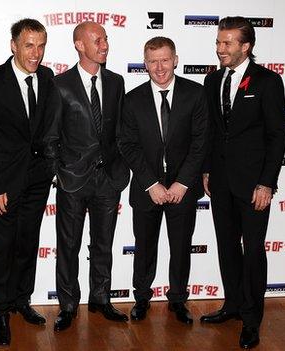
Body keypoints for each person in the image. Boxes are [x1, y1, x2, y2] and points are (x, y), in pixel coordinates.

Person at [201, 16, 285, 349]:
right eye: (218, 43)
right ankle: (233, 305)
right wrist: (207, 170)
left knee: (252, 251)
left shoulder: (267, 81)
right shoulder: (213, 81)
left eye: (227, 43)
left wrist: (267, 183)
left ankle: (252, 320)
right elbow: (211, 132)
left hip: (254, 186)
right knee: (227, 248)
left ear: (245, 46)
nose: (220, 49)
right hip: (220, 183)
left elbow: (277, 135)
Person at [45, 21, 130, 332]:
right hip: (73, 180)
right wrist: (59, 171)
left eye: (105, 38)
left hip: (109, 179)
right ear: (79, 45)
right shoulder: (60, 84)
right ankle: (68, 305)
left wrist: (120, 164)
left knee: (103, 243)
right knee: (68, 244)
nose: (104, 44)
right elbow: (50, 135)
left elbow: (120, 130)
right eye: (97, 40)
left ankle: (101, 298)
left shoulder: (117, 82)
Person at [117, 37, 208, 324]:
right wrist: (151, 184)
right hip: (147, 190)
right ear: (145, 63)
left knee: (181, 247)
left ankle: (178, 300)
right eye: (153, 61)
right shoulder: (131, 100)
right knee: (144, 246)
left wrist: (182, 183)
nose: (159, 67)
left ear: (175, 60)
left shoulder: (196, 94)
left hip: (184, 188)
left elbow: (200, 142)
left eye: (165, 60)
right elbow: (127, 144)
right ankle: (141, 297)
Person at [0, 18, 55, 346]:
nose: (35, 53)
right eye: (28, 45)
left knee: (28, 242)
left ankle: (22, 300)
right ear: (14, 45)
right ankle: (1, 309)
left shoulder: (48, 77)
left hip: (38, 180)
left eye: (40, 45)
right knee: (4, 246)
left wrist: (51, 167)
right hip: (4, 183)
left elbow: (48, 126)